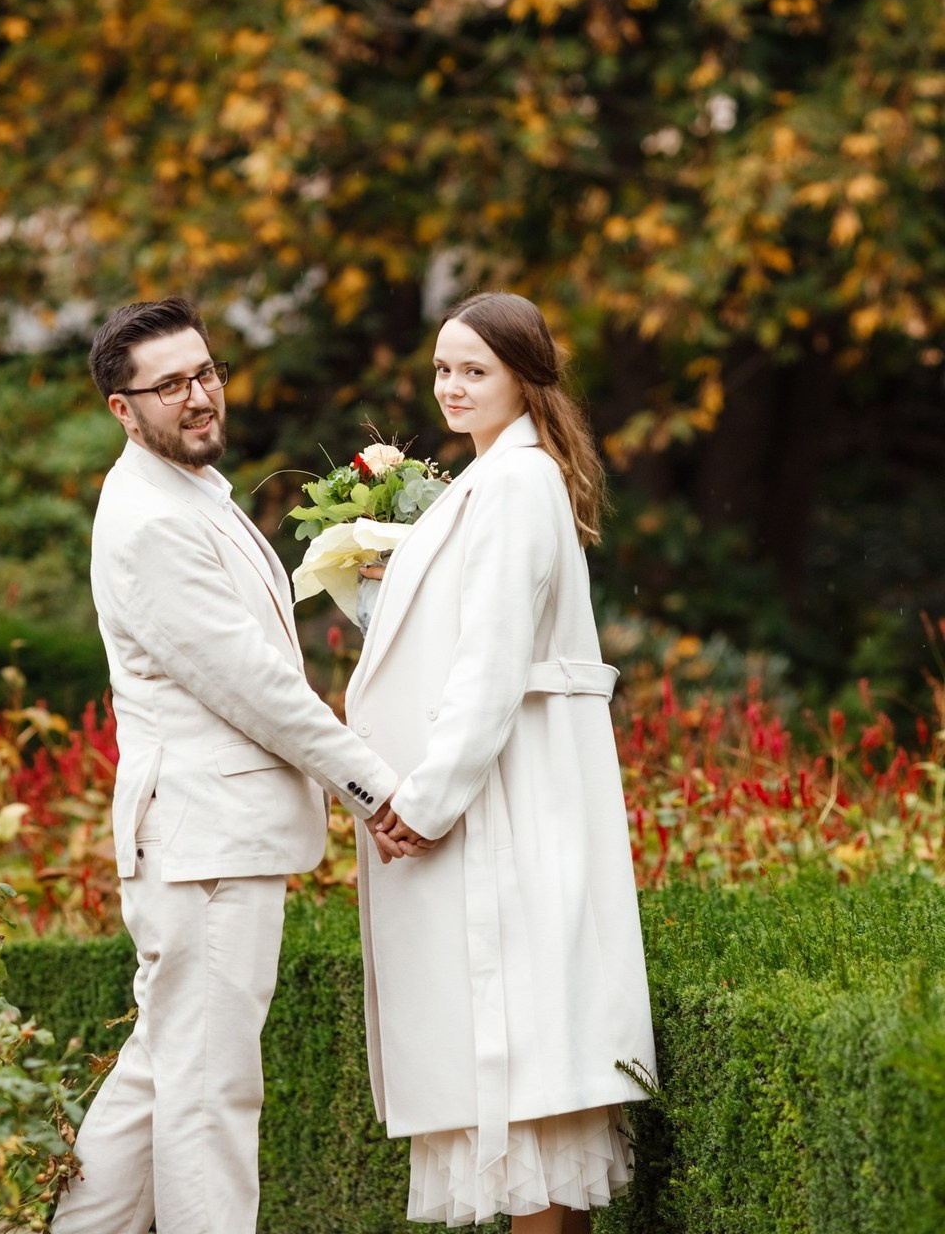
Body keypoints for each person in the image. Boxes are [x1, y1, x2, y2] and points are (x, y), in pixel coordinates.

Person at [50, 296, 408, 1234]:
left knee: (161, 1077)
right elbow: (254, 686)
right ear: (121, 409)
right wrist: (372, 787)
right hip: (205, 844)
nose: (198, 396)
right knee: (210, 1098)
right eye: (168, 385)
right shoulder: (150, 521)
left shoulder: (186, 491)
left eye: (204, 372)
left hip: (209, 838)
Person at [346, 291, 657, 1232]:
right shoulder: (492, 480)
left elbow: (489, 669)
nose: (451, 386)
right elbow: (461, 638)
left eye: (474, 369)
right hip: (502, 795)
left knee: (523, 1081)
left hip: (506, 806)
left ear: (524, 377)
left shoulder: (518, 483)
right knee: (528, 1088)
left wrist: (421, 803)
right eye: (443, 368)